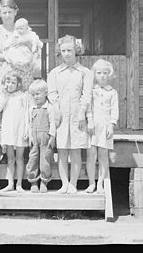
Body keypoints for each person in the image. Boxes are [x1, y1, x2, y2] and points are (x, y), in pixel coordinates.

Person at [47, 35, 94, 194]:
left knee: (75, 151)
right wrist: (56, 108)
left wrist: (82, 112)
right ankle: (64, 184)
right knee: (62, 151)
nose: (66, 53)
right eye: (63, 51)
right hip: (60, 115)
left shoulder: (85, 72)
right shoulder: (54, 73)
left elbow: (86, 95)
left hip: (77, 115)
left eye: (70, 50)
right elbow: (52, 94)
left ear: (76, 51)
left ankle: (73, 183)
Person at [85, 59, 120, 194]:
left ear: (109, 75)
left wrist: (111, 125)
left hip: (105, 126)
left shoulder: (112, 92)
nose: (102, 76)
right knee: (91, 155)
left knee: (103, 155)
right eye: (99, 73)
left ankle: (100, 183)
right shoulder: (91, 90)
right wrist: (90, 121)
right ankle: (91, 183)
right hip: (92, 126)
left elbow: (114, 110)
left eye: (105, 73)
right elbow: (88, 107)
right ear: (95, 74)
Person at [0, 0, 35, 90]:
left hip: (23, 73)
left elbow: (32, 47)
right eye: (4, 13)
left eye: (10, 12)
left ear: (15, 12)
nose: (7, 15)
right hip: (4, 74)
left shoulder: (24, 29)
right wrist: (9, 58)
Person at [0, 71, 29, 192]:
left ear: (18, 84)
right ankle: (10, 183)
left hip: (20, 129)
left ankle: (19, 183)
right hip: (8, 130)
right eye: (8, 82)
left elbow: (27, 113)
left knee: (19, 158)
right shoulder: (4, 96)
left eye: (13, 82)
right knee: (10, 158)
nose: (10, 84)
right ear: (4, 83)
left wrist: (27, 130)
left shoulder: (23, 96)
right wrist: (4, 94)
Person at [24, 79, 58, 193]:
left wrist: (52, 137)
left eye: (38, 94)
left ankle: (44, 181)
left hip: (45, 137)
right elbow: (29, 124)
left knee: (45, 160)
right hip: (34, 137)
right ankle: (33, 182)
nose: (35, 97)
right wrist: (30, 136)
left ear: (45, 93)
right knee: (33, 159)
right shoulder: (31, 108)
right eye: (33, 95)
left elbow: (53, 123)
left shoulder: (49, 107)